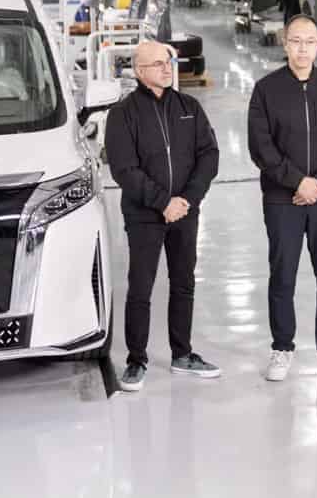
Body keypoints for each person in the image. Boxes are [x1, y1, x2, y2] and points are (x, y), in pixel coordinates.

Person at [247, 15, 317, 382]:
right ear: (285, 44)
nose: (302, 48)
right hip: (283, 200)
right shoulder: (266, 90)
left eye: (309, 41)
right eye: (295, 41)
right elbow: (260, 147)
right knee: (283, 274)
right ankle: (282, 348)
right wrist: (297, 182)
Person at [104, 40, 221, 391]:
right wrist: (162, 202)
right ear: (140, 71)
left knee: (183, 282)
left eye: (169, 62)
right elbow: (124, 169)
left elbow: (209, 155)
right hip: (144, 214)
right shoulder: (122, 115)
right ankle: (135, 359)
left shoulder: (189, 107)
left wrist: (187, 198)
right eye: (158, 64)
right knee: (140, 286)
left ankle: (182, 354)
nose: (167, 68)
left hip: (185, 211)